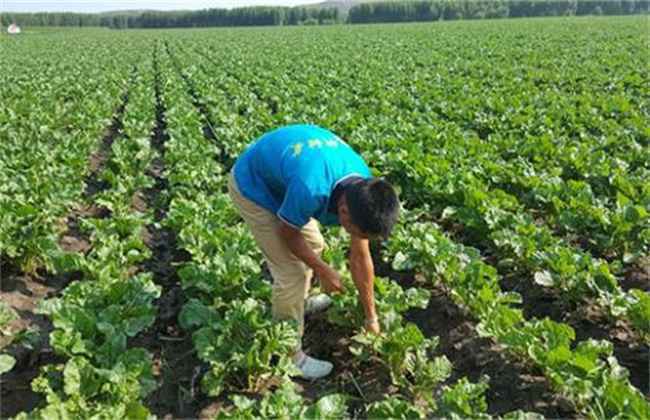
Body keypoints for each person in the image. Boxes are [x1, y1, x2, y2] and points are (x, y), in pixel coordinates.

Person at [228, 124, 400, 380]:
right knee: (292, 274)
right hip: (254, 186)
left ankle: (301, 302)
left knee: (315, 246)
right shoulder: (312, 189)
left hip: (288, 177)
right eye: (357, 232)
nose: (358, 239)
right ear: (342, 213)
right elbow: (288, 233)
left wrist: (371, 318)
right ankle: (290, 357)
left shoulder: (363, 191)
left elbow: (360, 258)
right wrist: (323, 269)